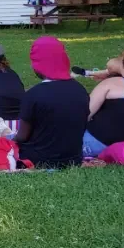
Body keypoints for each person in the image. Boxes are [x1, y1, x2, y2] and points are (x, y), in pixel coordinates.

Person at [10, 37, 89, 168]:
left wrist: (11, 140)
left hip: (38, 158)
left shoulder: (34, 94)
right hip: (73, 158)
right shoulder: (80, 90)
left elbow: (22, 136)